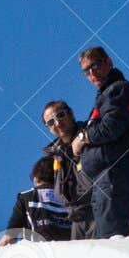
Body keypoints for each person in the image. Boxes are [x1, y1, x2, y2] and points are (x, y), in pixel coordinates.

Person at [72, 46, 129, 238]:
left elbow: (110, 128)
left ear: (109, 62)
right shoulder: (107, 94)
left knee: (112, 239)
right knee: (108, 237)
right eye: (86, 71)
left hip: (115, 174)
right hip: (106, 177)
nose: (91, 73)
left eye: (95, 65)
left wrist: (82, 138)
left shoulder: (120, 90)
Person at [41, 99, 95, 239]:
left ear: (70, 114)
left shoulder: (91, 135)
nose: (57, 123)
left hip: (98, 211)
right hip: (76, 220)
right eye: (51, 122)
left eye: (60, 115)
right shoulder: (56, 155)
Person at [3, 156, 73, 242]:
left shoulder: (26, 197)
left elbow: (9, 237)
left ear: (36, 178)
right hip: (70, 251)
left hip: (39, 251)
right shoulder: (72, 199)